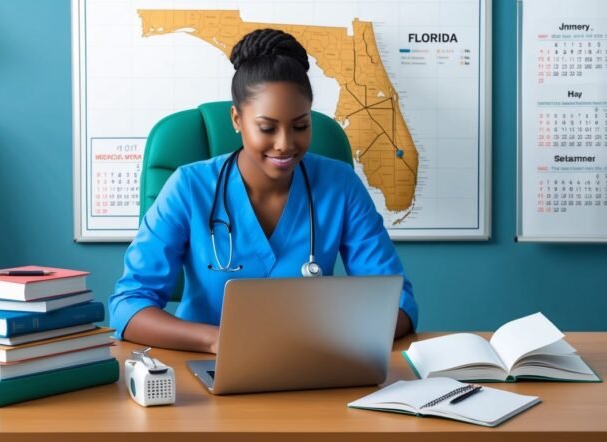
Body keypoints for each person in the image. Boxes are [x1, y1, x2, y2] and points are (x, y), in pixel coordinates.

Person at [109, 28, 417, 354]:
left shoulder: (340, 185)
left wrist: (334, 339)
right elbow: (129, 306)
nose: (285, 144)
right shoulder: (188, 187)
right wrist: (217, 340)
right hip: (201, 368)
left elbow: (398, 301)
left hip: (313, 363)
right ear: (237, 119)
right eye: (267, 128)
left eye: (300, 126)